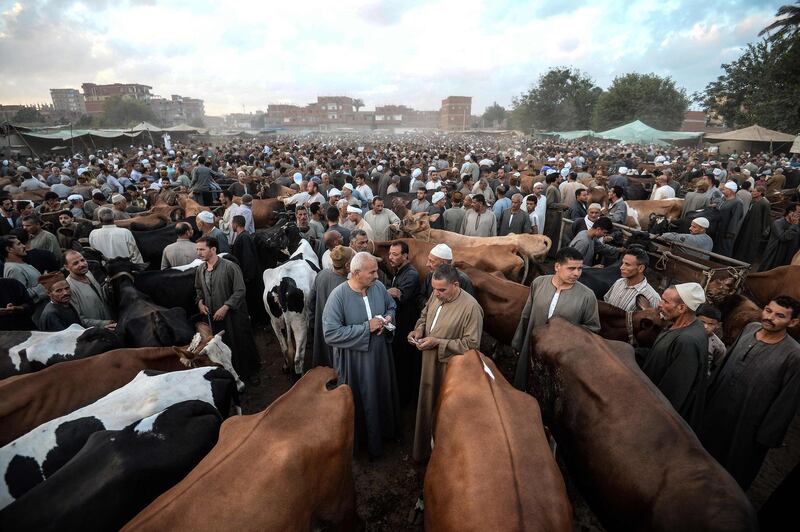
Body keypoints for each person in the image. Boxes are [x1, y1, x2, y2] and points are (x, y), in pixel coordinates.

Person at [700, 296, 800, 490]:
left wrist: (765, 438)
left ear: (793, 321)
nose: (770, 318)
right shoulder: (750, 329)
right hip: (716, 409)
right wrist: (707, 394)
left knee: (728, 473)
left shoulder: (794, 355)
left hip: (746, 426)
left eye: (780, 316)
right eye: (768, 311)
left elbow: (787, 401)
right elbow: (723, 364)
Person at [322, 252, 400, 458]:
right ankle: (363, 443)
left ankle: (385, 433)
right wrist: (366, 328)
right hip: (354, 364)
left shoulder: (379, 287)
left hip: (381, 358)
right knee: (360, 399)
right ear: (356, 273)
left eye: (376, 271)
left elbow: (391, 306)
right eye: (372, 272)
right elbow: (330, 334)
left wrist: (388, 318)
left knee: (381, 393)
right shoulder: (338, 296)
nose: (377, 275)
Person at [409, 264, 484, 463]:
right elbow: (424, 316)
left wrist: (438, 342)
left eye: (441, 289)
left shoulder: (472, 308)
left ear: (456, 285)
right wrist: (418, 330)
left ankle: (443, 459)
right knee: (426, 405)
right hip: (427, 363)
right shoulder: (436, 295)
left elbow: (472, 345)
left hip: (449, 370)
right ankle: (424, 449)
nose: (436, 294)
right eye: (434, 289)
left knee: (444, 412)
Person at [512, 247, 601, 389]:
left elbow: (593, 328)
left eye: (580, 269)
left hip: (562, 357)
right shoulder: (539, 283)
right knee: (525, 383)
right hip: (531, 347)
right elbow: (526, 315)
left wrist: (568, 333)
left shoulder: (587, 296)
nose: (576, 273)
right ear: (557, 266)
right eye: (571, 268)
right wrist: (518, 343)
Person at [638, 283, 709, 432]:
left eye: (665, 301)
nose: (659, 305)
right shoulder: (676, 325)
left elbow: (674, 391)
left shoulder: (688, 341)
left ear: (682, 308)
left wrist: (651, 419)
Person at [194, 235, 261, 384]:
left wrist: (226, 307)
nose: (198, 252)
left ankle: (248, 375)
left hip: (234, 317)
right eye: (197, 249)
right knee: (221, 346)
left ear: (213, 249)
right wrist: (200, 303)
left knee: (240, 344)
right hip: (213, 318)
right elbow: (198, 289)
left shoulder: (230, 267)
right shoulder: (200, 269)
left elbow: (240, 290)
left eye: (202, 249)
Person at [386, 240, 421, 405]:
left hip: (406, 326)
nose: (390, 257)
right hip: (400, 323)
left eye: (395, 254)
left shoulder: (411, 274)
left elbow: (400, 295)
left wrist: (391, 292)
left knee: (404, 362)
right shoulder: (399, 270)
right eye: (390, 254)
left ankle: (405, 400)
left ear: (405, 255)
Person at [310, 245, 354, 368]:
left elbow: (311, 301)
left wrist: (313, 323)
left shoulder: (321, 275)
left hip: (321, 330)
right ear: (347, 266)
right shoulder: (347, 287)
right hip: (337, 336)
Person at [64, 250, 115, 328]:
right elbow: (79, 319)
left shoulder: (88, 273)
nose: (82, 264)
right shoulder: (69, 287)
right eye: (75, 263)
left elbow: (100, 296)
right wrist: (104, 324)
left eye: (82, 260)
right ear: (67, 267)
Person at [1, 235, 47, 306]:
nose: (24, 246)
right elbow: (21, 295)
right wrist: (45, 285)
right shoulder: (13, 269)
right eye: (19, 244)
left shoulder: (19, 264)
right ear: (9, 249)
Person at [733, 186, 771, 264]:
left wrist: (763, 232)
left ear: (760, 193)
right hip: (748, 225)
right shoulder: (753, 200)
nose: (752, 193)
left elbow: (766, 219)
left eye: (754, 191)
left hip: (756, 229)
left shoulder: (765, 203)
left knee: (750, 245)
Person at [759, 202, 800, 271]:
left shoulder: (797, 226)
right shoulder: (778, 223)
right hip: (774, 258)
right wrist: (794, 224)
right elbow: (784, 237)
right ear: (790, 212)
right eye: (798, 212)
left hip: (787, 259)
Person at [713, 181, 744, 257]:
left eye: (725, 189)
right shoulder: (724, 198)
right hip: (718, 228)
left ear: (731, 191)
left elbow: (735, 218)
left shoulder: (737, 202)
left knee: (723, 249)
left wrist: (730, 233)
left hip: (726, 231)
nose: (723, 191)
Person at [695, 304, 726, 375]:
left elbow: (715, 366)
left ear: (718, 325)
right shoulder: (685, 332)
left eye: (711, 324)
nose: (705, 326)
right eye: (702, 322)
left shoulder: (719, 346)